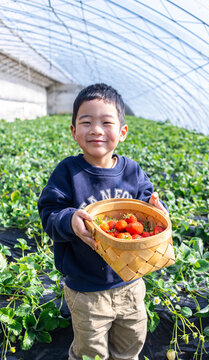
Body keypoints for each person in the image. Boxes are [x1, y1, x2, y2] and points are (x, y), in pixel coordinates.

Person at [38, 83, 168, 360]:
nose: (96, 129)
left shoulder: (132, 172)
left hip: (131, 283)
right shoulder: (67, 172)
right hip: (86, 288)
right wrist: (70, 220)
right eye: (86, 122)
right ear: (74, 132)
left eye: (106, 122)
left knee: (131, 342)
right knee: (90, 352)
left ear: (122, 132)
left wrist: (159, 210)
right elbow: (49, 213)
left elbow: (149, 206)